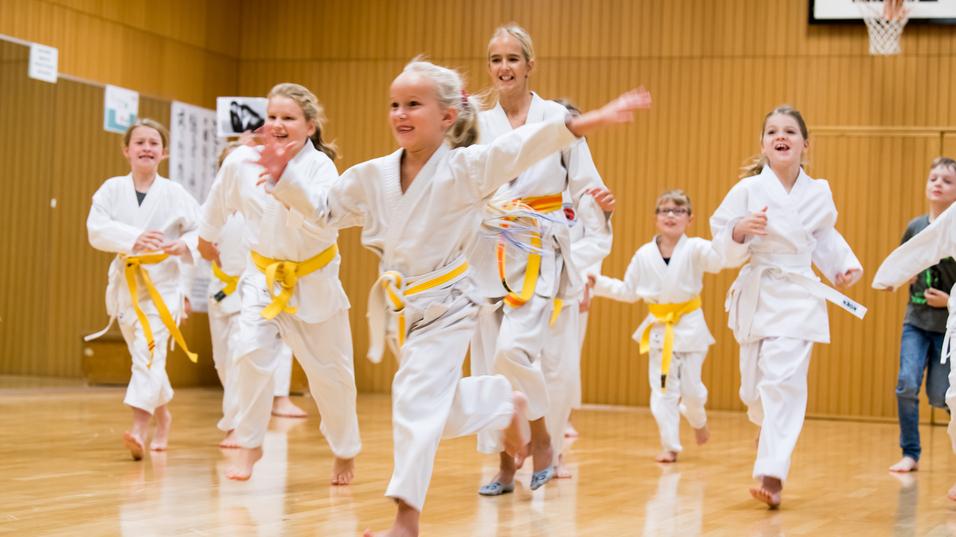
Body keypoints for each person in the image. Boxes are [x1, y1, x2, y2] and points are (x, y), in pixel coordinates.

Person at [256, 58, 651, 537]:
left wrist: (585, 122)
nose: (400, 113)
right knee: (428, 405)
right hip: (404, 309)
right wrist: (284, 179)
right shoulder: (371, 175)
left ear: (447, 116)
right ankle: (501, 401)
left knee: (412, 401)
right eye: (394, 105)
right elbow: (323, 213)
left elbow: (520, 147)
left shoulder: (466, 168)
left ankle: (406, 520)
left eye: (413, 105)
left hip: (451, 303)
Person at [198, 83, 361, 483]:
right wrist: (206, 238)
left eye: (288, 118)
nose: (277, 124)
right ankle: (250, 443)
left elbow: (323, 217)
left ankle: (344, 450)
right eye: (271, 117)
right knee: (249, 353)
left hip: (313, 280)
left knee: (332, 377)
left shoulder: (321, 168)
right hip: (262, 277)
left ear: (309, 126)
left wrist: (283, 177)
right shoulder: (241, 161)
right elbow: (217, 201)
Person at [709, 105, 865, 508]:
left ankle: (772, 472)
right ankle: (765, 427)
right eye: (773, 131)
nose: (782, 136)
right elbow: (721, 246)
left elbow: (824, 237)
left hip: (798, 295)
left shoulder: (819, 191)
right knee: (753, 391)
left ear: (805, 145)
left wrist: (842, 267)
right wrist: (739, 231)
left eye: (790, 131)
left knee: (783, 383)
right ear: (763, 144)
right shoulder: (746, 191)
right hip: (758, 293)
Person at [86, 119, 201, 460]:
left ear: (163, 153)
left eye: (154, 143)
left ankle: (139, 427)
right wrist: (132, 237)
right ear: (127, 150)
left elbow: (201, 230)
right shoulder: (110, 190)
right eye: (140, 142)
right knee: (144, 354)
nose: (147, 147)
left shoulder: (176, 193)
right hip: (127, 285)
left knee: (150, 352)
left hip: (164, 285)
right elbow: (96, 229)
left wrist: (184, 246)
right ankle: (163, 416)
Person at [589, 189, 721, 463]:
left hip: (690, 325)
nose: (671, 216)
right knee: (662, 391)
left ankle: (698, 419)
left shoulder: (696, 248)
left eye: (679, 210)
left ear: (690, 218)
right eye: (664, 210)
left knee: (693, 391)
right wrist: (598, 283)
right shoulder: (643, 255)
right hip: (659, 328)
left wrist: (735, 237)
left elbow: (719, 261)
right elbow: (628, 291)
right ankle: (670, 445)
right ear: (655, 218)